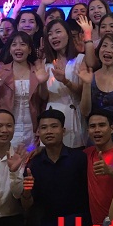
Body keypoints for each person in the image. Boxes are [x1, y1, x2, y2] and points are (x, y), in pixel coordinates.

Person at [21, 109, 90, 226]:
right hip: (49, 222)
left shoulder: (79, 158)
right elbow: (26, 205)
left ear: (63, 130)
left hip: (78, 219)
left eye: (54, 126)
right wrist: (26, 192)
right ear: (38, 132)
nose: (49, 131)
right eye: (44, 128)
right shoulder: (34, 164)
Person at [0, 31, 49, 148]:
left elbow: (44, 99)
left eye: (23, 44)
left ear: (30, 50)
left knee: (30, 157)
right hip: (5, 128)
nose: (18, 48)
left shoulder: (37, 71)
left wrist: (43, 83)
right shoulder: (1, 70)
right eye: (14, 44)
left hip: (31, 129)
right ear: (9, 50)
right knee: (8, 158)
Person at [44, 19, 87, 148]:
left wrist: (65, 81)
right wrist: (41, 83)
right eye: (50, 34)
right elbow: (42, 97)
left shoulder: (79, 59)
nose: (54, 36)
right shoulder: (45, 64)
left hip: (74, 114)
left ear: (68, 34)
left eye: (58, 32)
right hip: (52, 114)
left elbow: (82, 91)